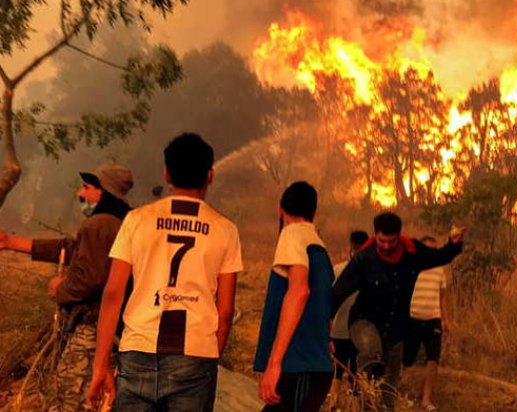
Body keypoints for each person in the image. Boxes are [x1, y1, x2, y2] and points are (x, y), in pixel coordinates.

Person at [87, 133, 243, 411]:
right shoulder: (226, 230)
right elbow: (226, 310)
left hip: (138, 349)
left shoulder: (136, 220)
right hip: (195, 354)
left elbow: (113, 293)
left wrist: (100, 366)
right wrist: (209, 356)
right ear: (210, 175)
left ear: (166, 173)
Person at [0, 163, 133, 412]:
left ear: (103, 191)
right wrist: (11, 242)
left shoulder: (99, 224)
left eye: (87, 187)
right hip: (116, 331)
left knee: (67, 399)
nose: (80, 193)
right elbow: (73, 250)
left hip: (92, 329)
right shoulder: (122, 222)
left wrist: (61, 289)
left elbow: (89, 279)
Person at [332, 213, 464, 411]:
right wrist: (321, 323)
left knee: (390, 381)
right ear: (375, 235)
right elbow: (337, 292)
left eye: (391, 241)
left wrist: (453, 245)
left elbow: (438, 257)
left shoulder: (411, 252)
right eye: (381, 241)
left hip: (395, 328)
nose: (386, 246)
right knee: (371, 363)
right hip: (364, 323)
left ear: (398, 236)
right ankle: (364, 398)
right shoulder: (364, 258)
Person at [254, 181, 335, 412]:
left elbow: (300, 291)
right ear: (315, 213)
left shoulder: (292, 234)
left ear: (281, 209)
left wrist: (274, 364)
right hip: (313, 367)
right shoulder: (318, 245)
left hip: (298, 366)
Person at [402, 236, 452, 412]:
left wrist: (445, 320)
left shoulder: (439, 270)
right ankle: (404, 395)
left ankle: (426, 399)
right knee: (407, 359)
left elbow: (442, 298)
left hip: (433, 319)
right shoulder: (411, 268)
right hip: (413, 318)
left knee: (433, 359)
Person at [327, 230, 369, 411]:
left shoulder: (338, 269)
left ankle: (332, 405)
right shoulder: (371, 272)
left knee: (337, 371)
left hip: (338, 330)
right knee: (356, 374)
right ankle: (352, 407)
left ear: (351, 247)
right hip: (359, 332)